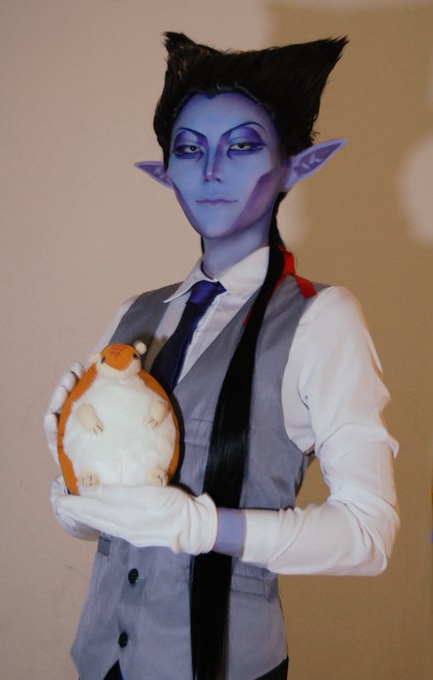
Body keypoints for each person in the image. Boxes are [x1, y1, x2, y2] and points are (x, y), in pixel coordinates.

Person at [45, 32, 399, 680]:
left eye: (241, 146)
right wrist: (72, 483)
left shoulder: (321, 319)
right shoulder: (133, 315)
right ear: (166, 172)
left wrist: (200, 528)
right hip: (98, 663)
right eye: (189, 149)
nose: (211, 171)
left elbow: (368, 536)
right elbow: (109, 525)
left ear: (294, 166)